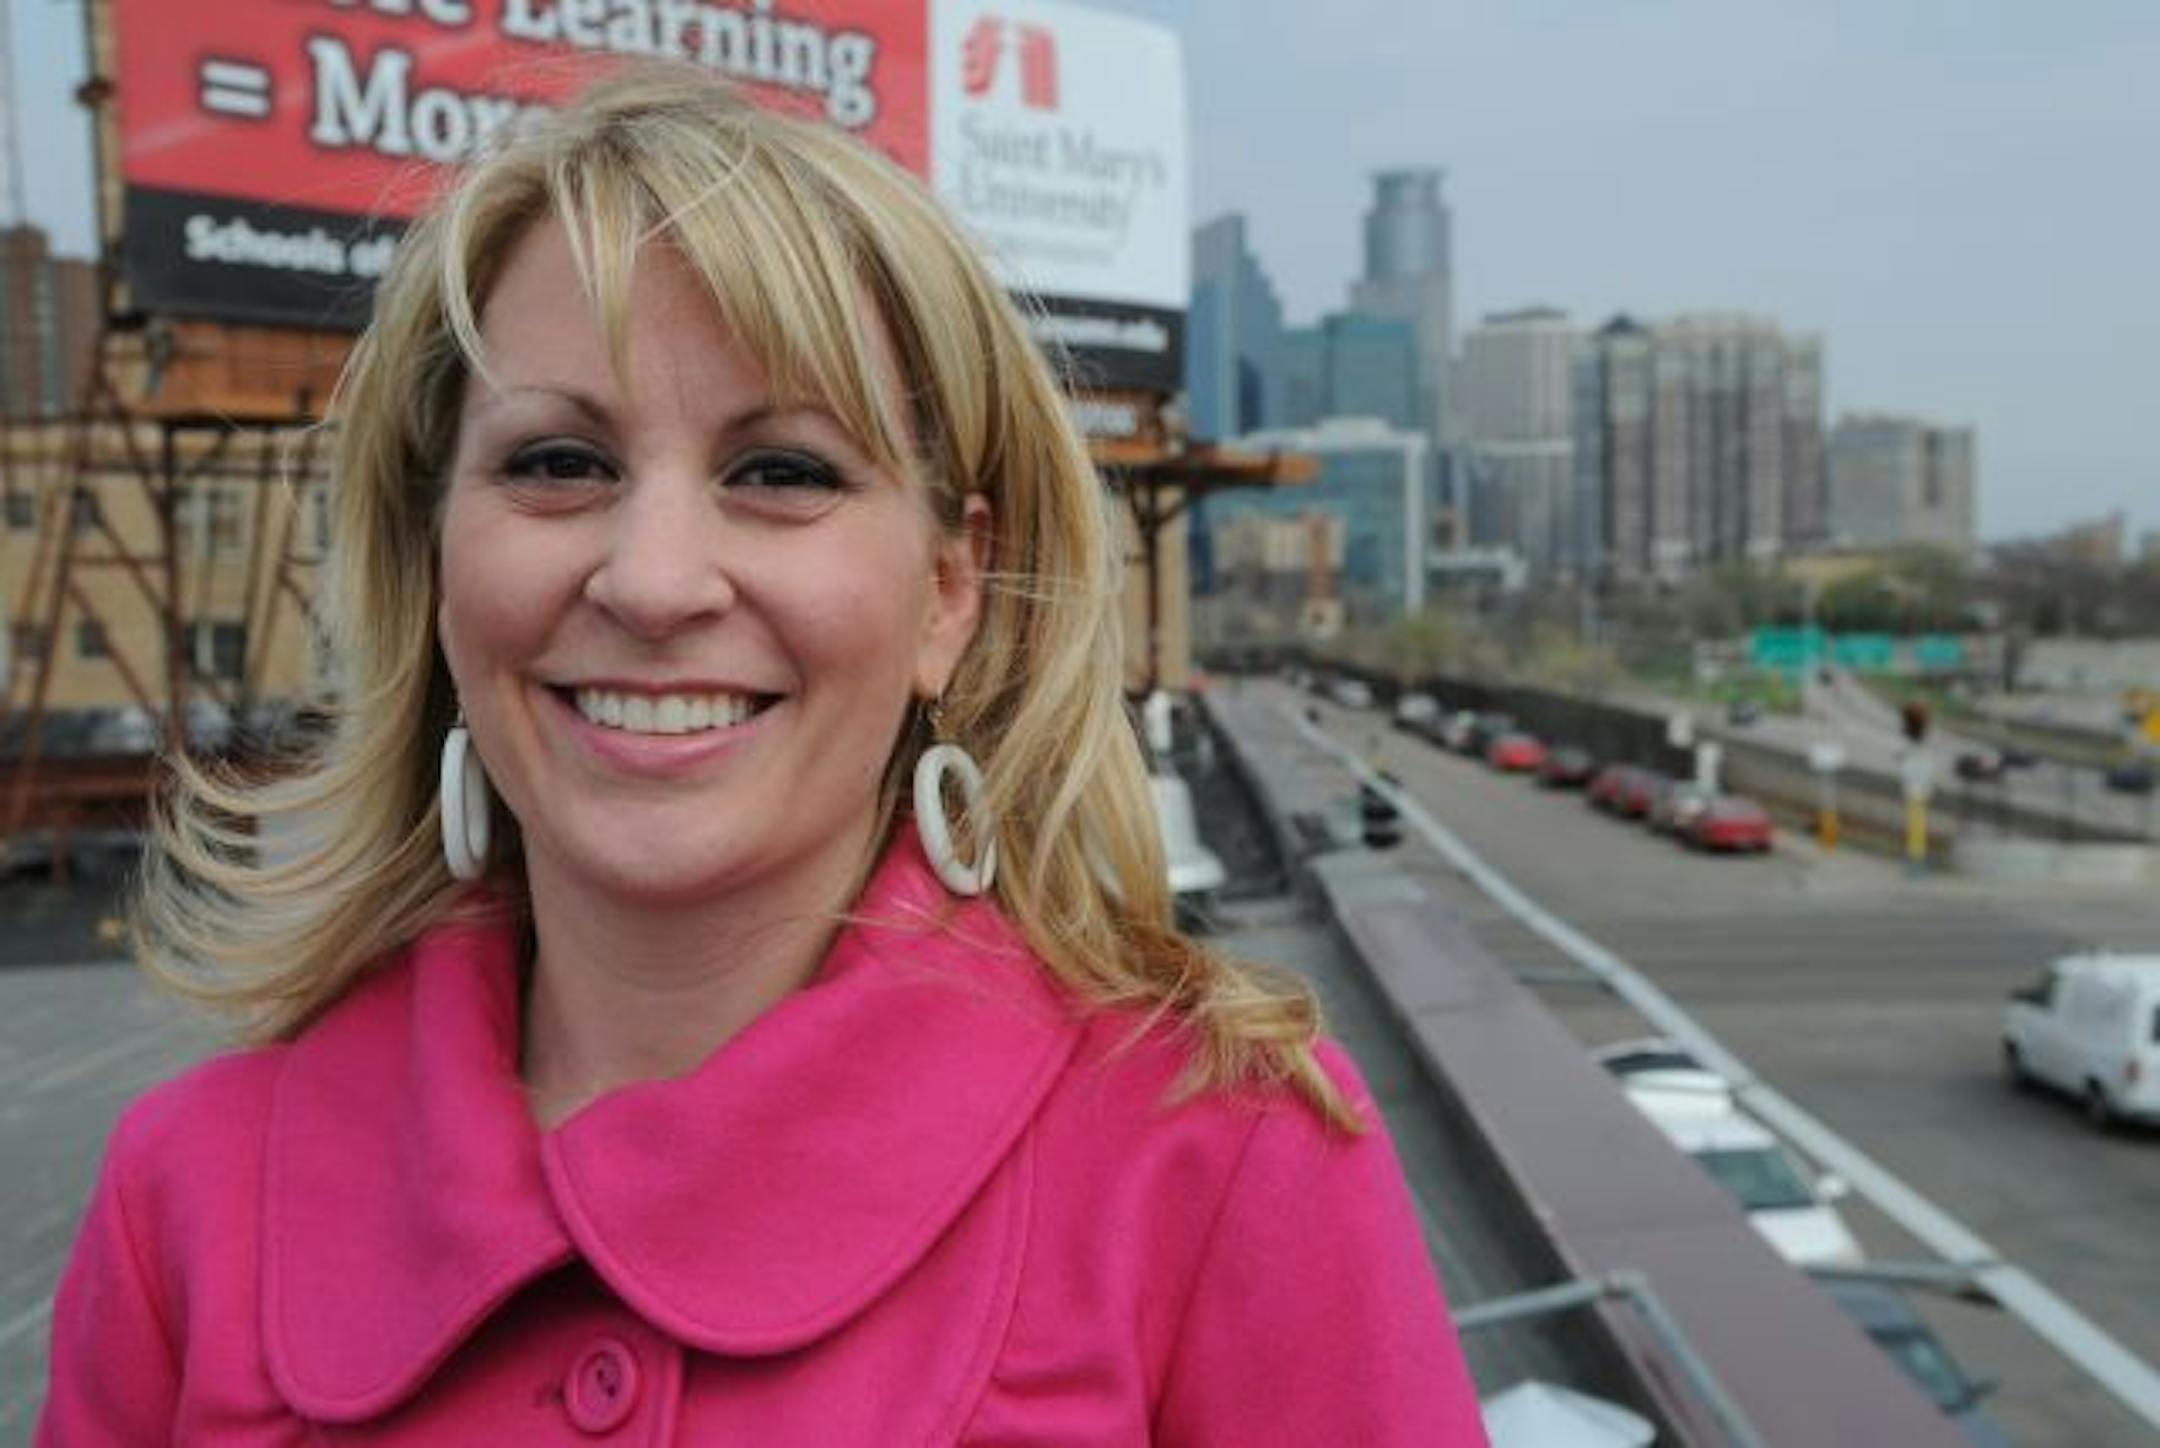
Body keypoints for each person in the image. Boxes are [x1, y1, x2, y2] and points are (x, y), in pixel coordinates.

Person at [39, 65, 1487, 1444]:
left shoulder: (1227, 1159)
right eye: (557, 464)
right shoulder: (188, 1198)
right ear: (433, 559)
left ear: (947, 593)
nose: (653, 581)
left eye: (782, 471)